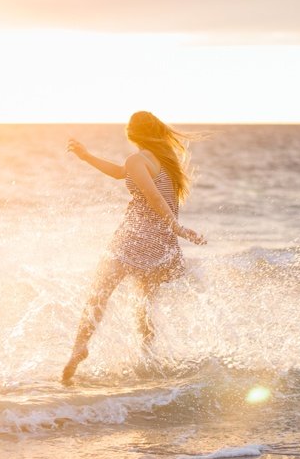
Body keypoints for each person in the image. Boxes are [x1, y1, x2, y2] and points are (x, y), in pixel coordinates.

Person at [62, 111, 206, 383]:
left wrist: (179, 228)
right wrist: (87, 156)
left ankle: (79, 347)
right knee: (144, 305)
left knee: (99, 294)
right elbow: (120, 173)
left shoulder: (137, 159)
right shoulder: (165, 161)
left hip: (134, 238)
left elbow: (152, 196)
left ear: (131, 133)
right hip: (160, 244)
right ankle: (147, 360)